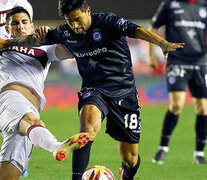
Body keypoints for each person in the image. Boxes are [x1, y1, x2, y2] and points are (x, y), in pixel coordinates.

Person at [0, 0, 184, 179]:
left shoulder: (107, 22)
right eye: (69, 21)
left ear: (88, 11)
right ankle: (70, 168)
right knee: (86, 131)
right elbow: (35, 38)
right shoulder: (63, 32)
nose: (74, 25)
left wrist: (161, 43)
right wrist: (8, 43)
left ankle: (126, 173)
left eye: (77, 19)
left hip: (124, 91)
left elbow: (136, 30)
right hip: (93, 89)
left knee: (130, 158)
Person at [0, 6, 90, 180]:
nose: (20, 26)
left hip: (30, 114)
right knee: (32, 120)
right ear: (7, 28)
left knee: (8, 174)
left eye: (24, 22)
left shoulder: (46, 50)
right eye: (15, 23)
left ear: (32, 26)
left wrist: (54, 35)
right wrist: (29, 39)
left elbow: (71, 51)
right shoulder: (4, 43)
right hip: (7, 98)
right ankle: (56, 146)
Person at [149, 0, 207, 165]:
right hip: (177, 61)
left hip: (200, 62)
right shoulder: (169, 4)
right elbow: (153, 27)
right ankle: (163, 148)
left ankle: (199, 153)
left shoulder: (204, 5)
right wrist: (152, 55)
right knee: (177, 105)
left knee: (203, 108)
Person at [0, 1, 33, 177]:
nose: (20, 25)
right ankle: (52, 144)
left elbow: (26, 32)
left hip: (13, 51)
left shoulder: (21, 3)